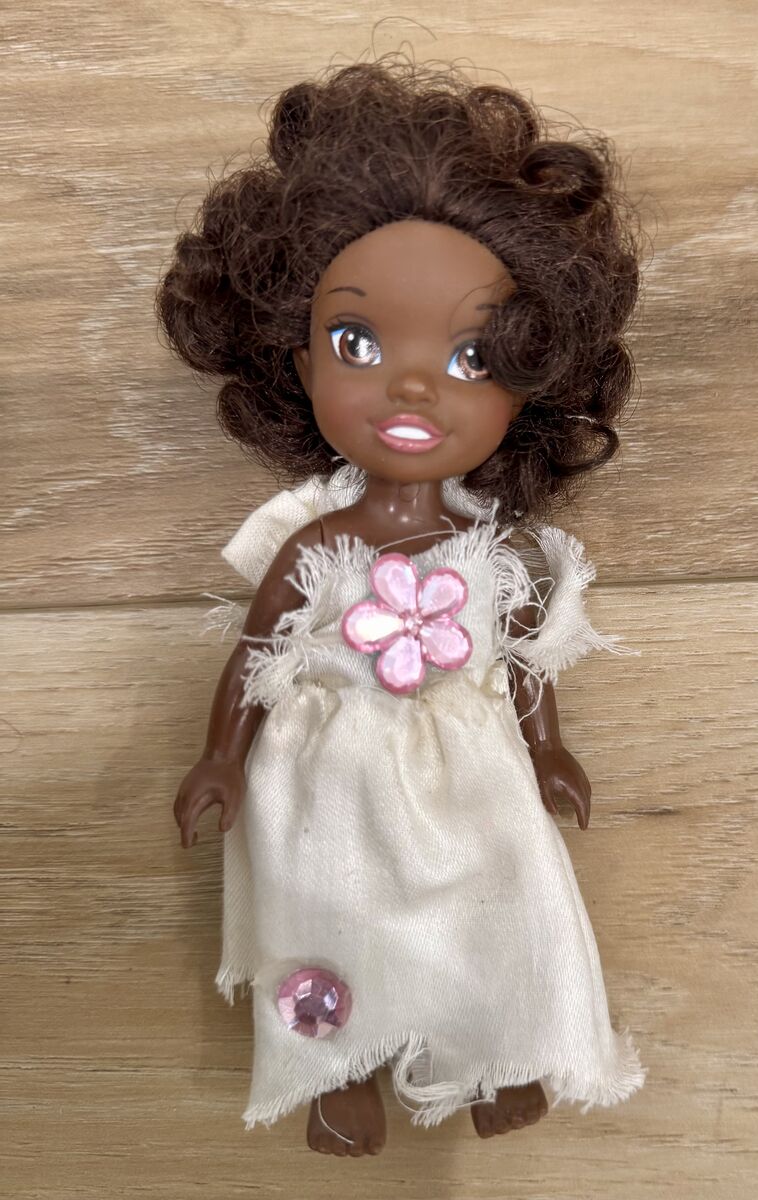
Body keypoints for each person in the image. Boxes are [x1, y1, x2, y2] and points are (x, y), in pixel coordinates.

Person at [156, 58, 645, 1157]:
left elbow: (522, 657)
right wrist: (223, 757)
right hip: (327, 777)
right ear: (298, 363)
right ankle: (338, 1073)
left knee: (495, 898)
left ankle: (499, 1048)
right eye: (359, 344)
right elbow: (258, 652)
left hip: (471, 768)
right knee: (329, 911)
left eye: (471, 355)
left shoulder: (490, 553)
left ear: (528, 380)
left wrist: (546, 747)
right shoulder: (317, 547)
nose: (414, 385)